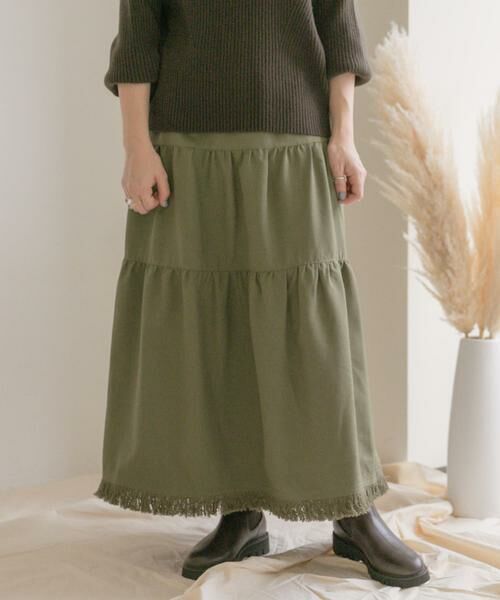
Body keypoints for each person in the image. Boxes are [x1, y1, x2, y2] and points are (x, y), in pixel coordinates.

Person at [94, 0, 430, 589]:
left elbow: (338, 26)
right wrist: (136, 147)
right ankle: (240, 510)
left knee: (315, 336)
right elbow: (139, 34)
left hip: (296, 134)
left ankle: (353, 510)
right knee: (216, 329)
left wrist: (344, 136)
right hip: (185, 143)